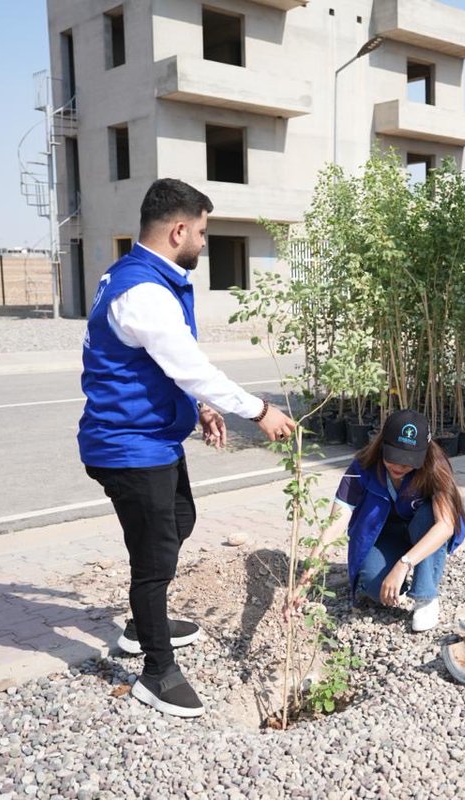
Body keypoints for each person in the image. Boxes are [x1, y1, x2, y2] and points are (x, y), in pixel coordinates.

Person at [79, 178, 296, 718]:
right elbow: (191, 366)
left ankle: (141, 622)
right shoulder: (144, 291)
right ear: (178, 230)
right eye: (201, 232)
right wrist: (260, 411)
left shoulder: (144, 276)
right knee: (153, 561)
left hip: (152, 440)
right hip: (129, 446)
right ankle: (156, 672)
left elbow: (164, 363)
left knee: (180, 517)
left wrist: (200, 405)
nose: (204, 241)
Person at [287, 409, 465, 632]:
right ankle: (398, 581)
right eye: (394, 457)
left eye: (409, 461)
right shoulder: (361, 468)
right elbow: (334, 525)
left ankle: (425, 596)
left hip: (423, 529)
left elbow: (446, 525)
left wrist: (404, 564)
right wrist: (305, 581)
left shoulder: (435, 468)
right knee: (374, 588)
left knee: (430, 516)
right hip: (385, 535)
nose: (400, 466)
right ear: (381, 444)